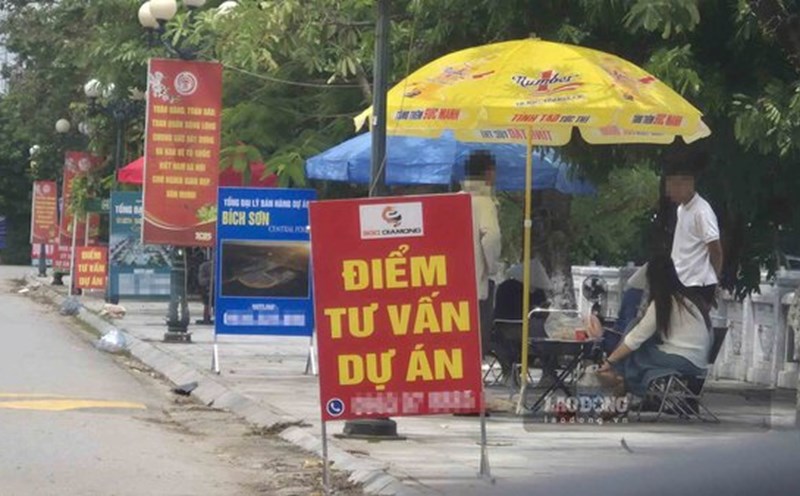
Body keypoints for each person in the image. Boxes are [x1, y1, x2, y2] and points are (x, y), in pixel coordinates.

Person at [597, 255, 711, 397]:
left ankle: (619, 380)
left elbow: (635, 339)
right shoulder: (687, 300)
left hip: (683, 360)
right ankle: (621, 382)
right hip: (698, 362)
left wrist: (610, 361)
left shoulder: (663, 303)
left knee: (636, 347)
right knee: (637, 343)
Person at [665, 162, 722, 309]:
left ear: (688, 184)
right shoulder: (681, 209)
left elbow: (715, 248)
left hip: (697, 283)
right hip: (680, 279)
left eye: (674, 186)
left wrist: (714, 277)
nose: (670, 192)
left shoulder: (702, 211)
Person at [461, 150, 502, 358]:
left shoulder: (456, 201)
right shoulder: (485, 203)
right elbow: (491, 237)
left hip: (453, 288)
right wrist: (492, 266)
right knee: (477, 345)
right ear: (489, 173)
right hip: (477, 287)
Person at [198, 258, 214, 324]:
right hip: (207, 288)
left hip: (217, 288)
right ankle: (206, 318)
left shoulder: (221, 265)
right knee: (207, 302)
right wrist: (210, 280)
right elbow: (201, 280)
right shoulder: (204, 266)